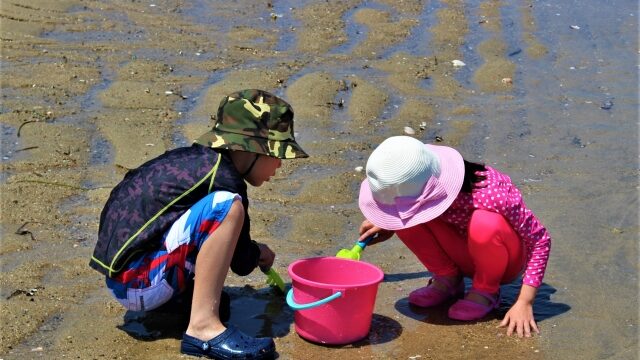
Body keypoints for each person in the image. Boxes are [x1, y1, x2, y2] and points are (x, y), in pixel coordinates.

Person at [89, 89, 308, 359]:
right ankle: (203, 327)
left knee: (215, 217)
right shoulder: (225, 179)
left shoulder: (196, 162)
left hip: (125, 276)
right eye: (277, 154)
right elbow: (240, 263)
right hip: (138, 283)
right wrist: (259, 253)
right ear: (251, 149)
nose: (279, 165)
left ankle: (184, 303)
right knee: (227, 208)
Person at [357, 136, 551, 338]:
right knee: (403, 218)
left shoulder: (490, 192)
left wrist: (524, 301)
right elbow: (408, 210)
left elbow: (540, 240)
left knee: (484, 222)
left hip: (503, 259)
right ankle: (447, 278)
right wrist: (389, 222)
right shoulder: (419, 179)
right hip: (462, 252)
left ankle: (486, 290)